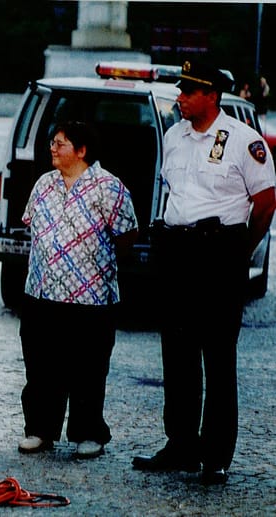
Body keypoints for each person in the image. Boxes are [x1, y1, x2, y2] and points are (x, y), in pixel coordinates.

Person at [132, 60, 276, 485]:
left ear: (212, 95)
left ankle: (215, 456)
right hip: (177, 250)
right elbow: (172, 190)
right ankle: (180, 445)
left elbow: (266, 200)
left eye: (190, 91)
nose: (180, 97)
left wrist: (239, 251)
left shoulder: (243, 141)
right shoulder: (175, 136)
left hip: (219, 252)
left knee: (217, 356)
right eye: (181, 90)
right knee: (176, 354)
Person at [17, 121, 137, 459]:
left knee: (88, 367)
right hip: (41, 292)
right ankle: (40, 430)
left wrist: (97, 263)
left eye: (60, 144)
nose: (52, 149)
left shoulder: (109, 187)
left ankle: (89, 433)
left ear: (81, 151)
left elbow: (127, 234)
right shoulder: (44, 184)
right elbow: (31, 225)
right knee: (40, 366)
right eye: (52, 143)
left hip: (91, 298)